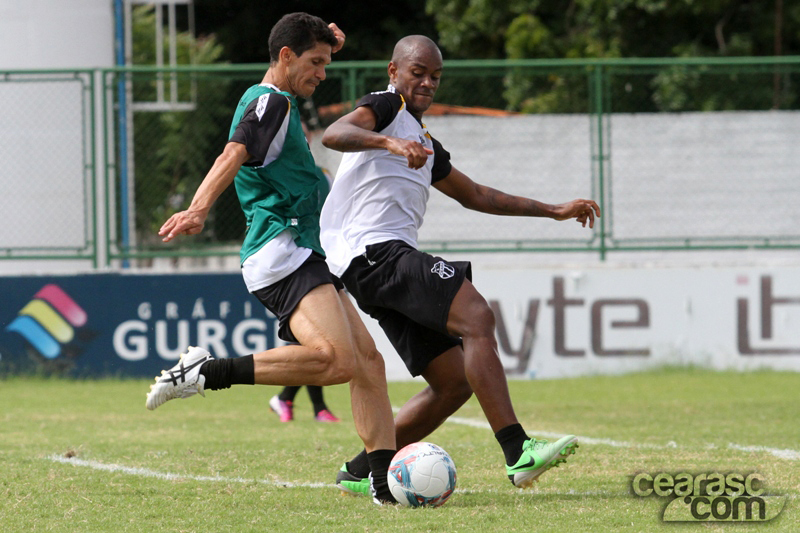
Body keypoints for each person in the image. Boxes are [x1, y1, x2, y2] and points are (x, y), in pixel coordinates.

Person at [319, 35, 601, 495]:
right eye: (418, 72)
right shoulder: (386, 107)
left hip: (371, 266)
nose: (428, 82)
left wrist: (553, 210)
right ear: (394, 72)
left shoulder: (423, 138)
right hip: (375, 253)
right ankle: (518, 452)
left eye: (435, 75)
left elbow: (476, 196)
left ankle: (362, 471)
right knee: (477, 316)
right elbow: (334, 134)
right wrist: (388, 142)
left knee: (452, 384)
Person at [145, 13, 398, 503]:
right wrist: (198, 209)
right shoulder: (270, 102)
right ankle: (203, 373)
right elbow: (232, 153)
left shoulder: (274, 96)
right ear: (285, 57)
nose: (323, 73)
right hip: (281, 249)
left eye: (327, 62)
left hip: (303, 247)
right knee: (339, 361)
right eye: (316, 63)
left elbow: (298, 62)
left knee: (368, 362)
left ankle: (383, 484)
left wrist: (329, 44)